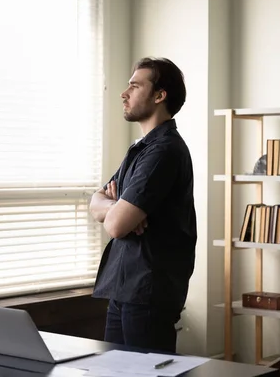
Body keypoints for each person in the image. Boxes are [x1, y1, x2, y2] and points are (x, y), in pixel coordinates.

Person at [90, 57, 197, 354]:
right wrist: (118, 207)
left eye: (135, 86)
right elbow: (95, 201)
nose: (124, 93)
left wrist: (117, 211)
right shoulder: (140, 149)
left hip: (148, 294)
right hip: (124, 288)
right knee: (114, 374)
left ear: (159, 95)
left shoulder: (164, 151)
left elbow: (113, 224)